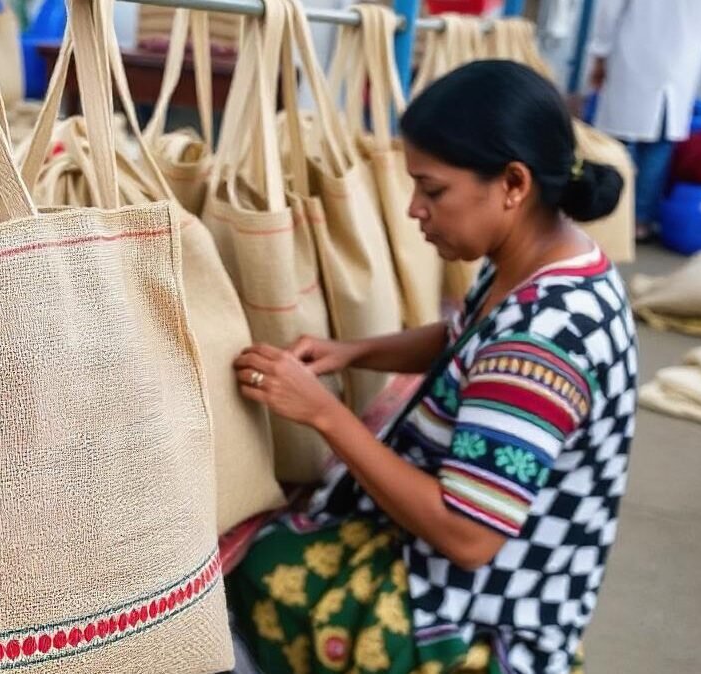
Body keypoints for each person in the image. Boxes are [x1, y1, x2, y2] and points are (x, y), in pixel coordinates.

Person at [226, 60, 637, 674]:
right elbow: (462, 339)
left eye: (433, 189)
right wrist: (353, 352)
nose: (415, 208)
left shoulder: (541, 342)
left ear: (514, 183)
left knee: (252, 578)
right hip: (505, 578)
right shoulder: (545, 260)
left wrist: (325, 414)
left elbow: (467, 538)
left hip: (483, 615)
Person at [587, 0, 701, 241]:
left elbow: (609, 10)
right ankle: (639, 221)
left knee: (615, 144)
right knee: (658, 145)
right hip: (678, 61)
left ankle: (604, 216)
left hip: (634, 56)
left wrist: (600, 52)